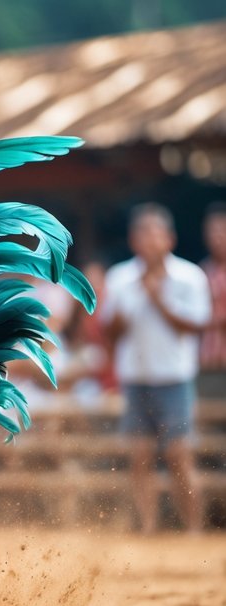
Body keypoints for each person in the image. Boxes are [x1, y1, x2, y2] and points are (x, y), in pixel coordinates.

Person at [104, 203, 211, 534]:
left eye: (155, 233)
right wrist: (127, 306)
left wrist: (158, 299)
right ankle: (148, 527)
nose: (149, 241)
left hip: (174, 378)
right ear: (134, 241)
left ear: (170, 239)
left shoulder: (189, 276)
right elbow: (109, 332)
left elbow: (197, 327)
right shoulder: (120, 278)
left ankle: (194, 527)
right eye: (143, 233)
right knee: (140, 458)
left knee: (180, 456)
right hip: (135, 379)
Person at [198, 202, 226, 398]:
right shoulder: (200, 273)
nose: (217, 237)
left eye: (222, 231)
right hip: (208, 365)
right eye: (212, 232)